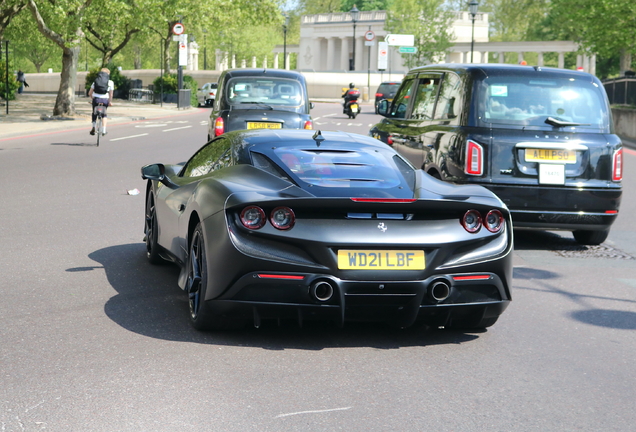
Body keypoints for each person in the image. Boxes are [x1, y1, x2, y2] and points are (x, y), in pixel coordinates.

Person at [88, 68, 114, 136]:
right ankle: (104, 130)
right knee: (104, 115)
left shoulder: (95, 81)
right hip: (105, 100)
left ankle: (93, 127)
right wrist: (109, 101)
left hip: (96, 100)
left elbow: (90, 93)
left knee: (94, 113)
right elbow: (111, 94)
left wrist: (92, 98)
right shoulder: (110, 82)